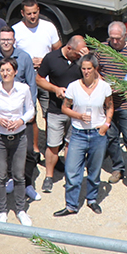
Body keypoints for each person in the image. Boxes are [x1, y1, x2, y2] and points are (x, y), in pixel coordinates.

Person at [55, 52, 112, 217]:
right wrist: (78, 116)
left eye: (89, 69)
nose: (86, 72)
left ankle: (92, 199)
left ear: (95, 69)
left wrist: (106, 124)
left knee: (94, 170)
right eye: (83, 69)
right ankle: (71, 205)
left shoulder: (104, 86)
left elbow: (109, 106)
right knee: (72, 169)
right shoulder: (73, 86)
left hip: (97, 132)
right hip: (78, 133)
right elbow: (65, 108)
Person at [0, 57, 35, 225]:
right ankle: (2, 210)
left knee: (19, 175)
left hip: (19, 137)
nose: (5, 73)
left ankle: (21, 210)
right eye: (2, 70)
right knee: (0, 175)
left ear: (15, 72)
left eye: (8, 70)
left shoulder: (24, 89)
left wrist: (21, 121)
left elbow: (30, 110)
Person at [35, 35, 85, 194]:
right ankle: (49, 176)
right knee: (53, 144)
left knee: (72, 144)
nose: (79, 56)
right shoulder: (51, 58)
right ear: (69, 48)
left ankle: (70, 176)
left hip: (76, 110)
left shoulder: (83, 60)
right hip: (56, 108)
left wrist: (86, 59)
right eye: (77, 53)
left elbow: (95, 78)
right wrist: (55, 89)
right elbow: (39, 79)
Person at [95, 21, 127, 189]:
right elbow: (95, 70)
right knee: (112, 138)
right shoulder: (102, 48)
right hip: (108, 105)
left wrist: (125, 88)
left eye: (118, 39)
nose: (114, 42)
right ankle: (118, 169)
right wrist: (104, 85)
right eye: (112, 39)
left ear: (125, 35)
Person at [11, 0, 61, 69]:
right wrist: (28, 62)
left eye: (35, 13)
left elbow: (58, 50)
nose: (32, 16)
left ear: (38, 10)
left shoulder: (49, 26)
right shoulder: (15, 30)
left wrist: (44, 61)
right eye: (29, 14)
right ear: (22, 13)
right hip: (23, 70)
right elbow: (11, 54)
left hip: (45, 70)